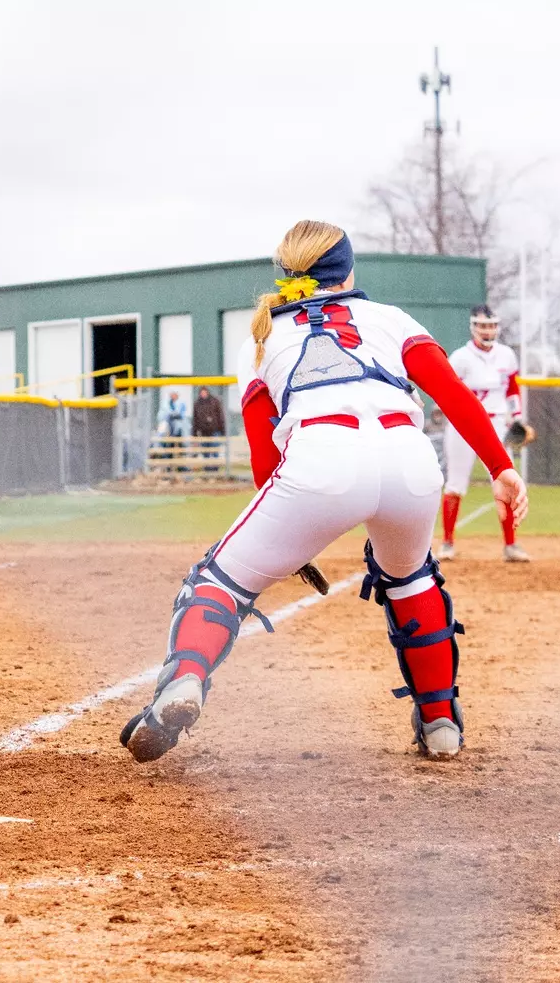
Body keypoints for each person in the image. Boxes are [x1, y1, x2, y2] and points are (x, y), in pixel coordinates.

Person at [120, 221, 527, 766]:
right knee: (411, 579)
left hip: (322, 455)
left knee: (218, 582)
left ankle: (183, 683)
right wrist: (501, 468)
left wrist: (295, 534)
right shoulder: (388, 318)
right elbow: (450, 393)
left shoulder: (260, 339)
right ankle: (440, 722)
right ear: (348, 270)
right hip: (409, 459)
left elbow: (267, 455)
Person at [440, 304, 527, 562]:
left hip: (498, 423)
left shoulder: (507, 355)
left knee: (505, 481)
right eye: (483, 325)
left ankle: (511, 545)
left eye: (491, 325)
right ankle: (447, 543)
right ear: (473, 327)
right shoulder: (460, 357)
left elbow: (512, 389)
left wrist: (518, 419)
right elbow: (448, 390)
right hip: (464, 424)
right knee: (455, 484)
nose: (487, 331)